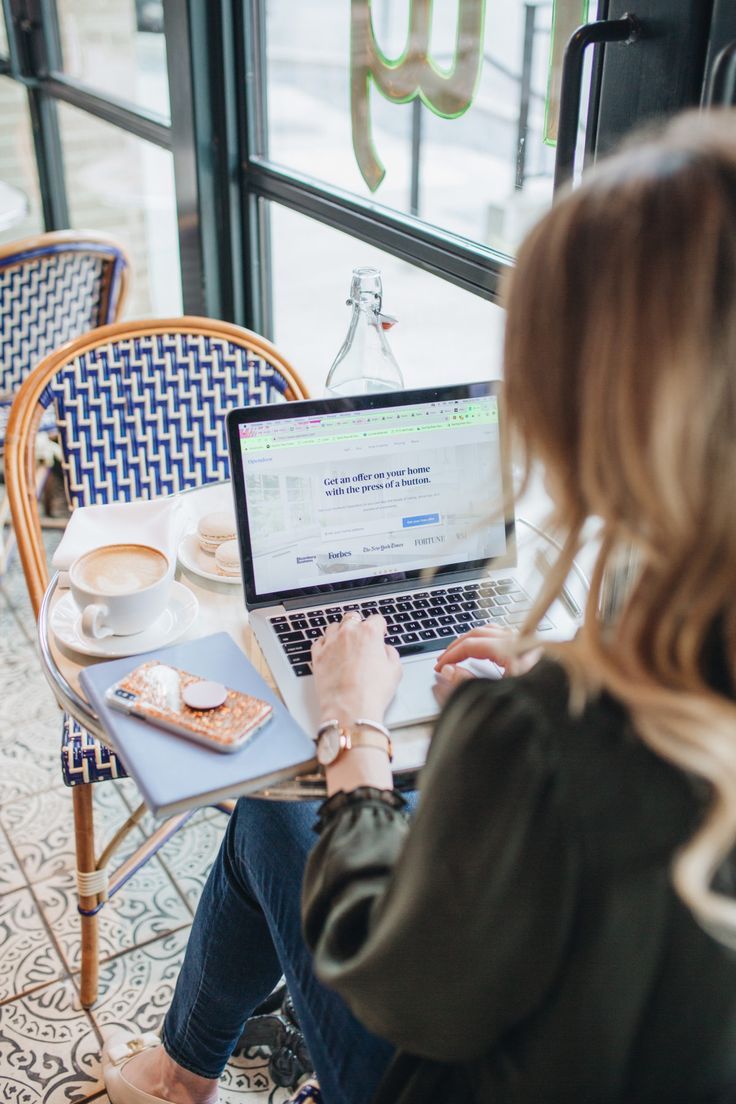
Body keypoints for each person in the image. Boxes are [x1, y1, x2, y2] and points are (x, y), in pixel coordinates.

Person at [103, 109, 736, 1104]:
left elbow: (397, 986)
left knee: (275, 816)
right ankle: (179, 1072)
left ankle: (177, 1076)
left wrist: (350, 722)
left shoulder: (540, 737)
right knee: (296, 814)